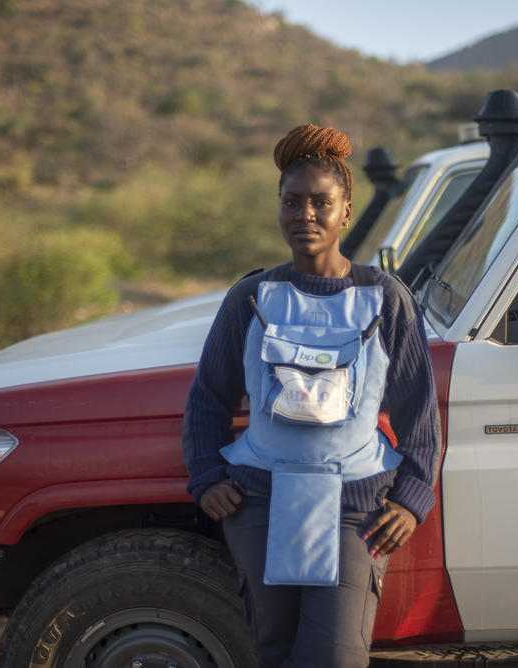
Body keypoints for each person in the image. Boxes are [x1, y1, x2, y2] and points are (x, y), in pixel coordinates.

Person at [182, 123, 440, 667]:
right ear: (277, 208)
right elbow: (208, 398)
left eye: (321, 202)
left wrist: (412, 500)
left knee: (335, 656)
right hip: (258, 502)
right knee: (273, 652)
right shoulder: (251, 298)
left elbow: (420, 412)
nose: (306, 215)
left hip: (357, 507)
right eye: (291, 202)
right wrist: (207, 479)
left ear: (346, 211)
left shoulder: (385, 299)